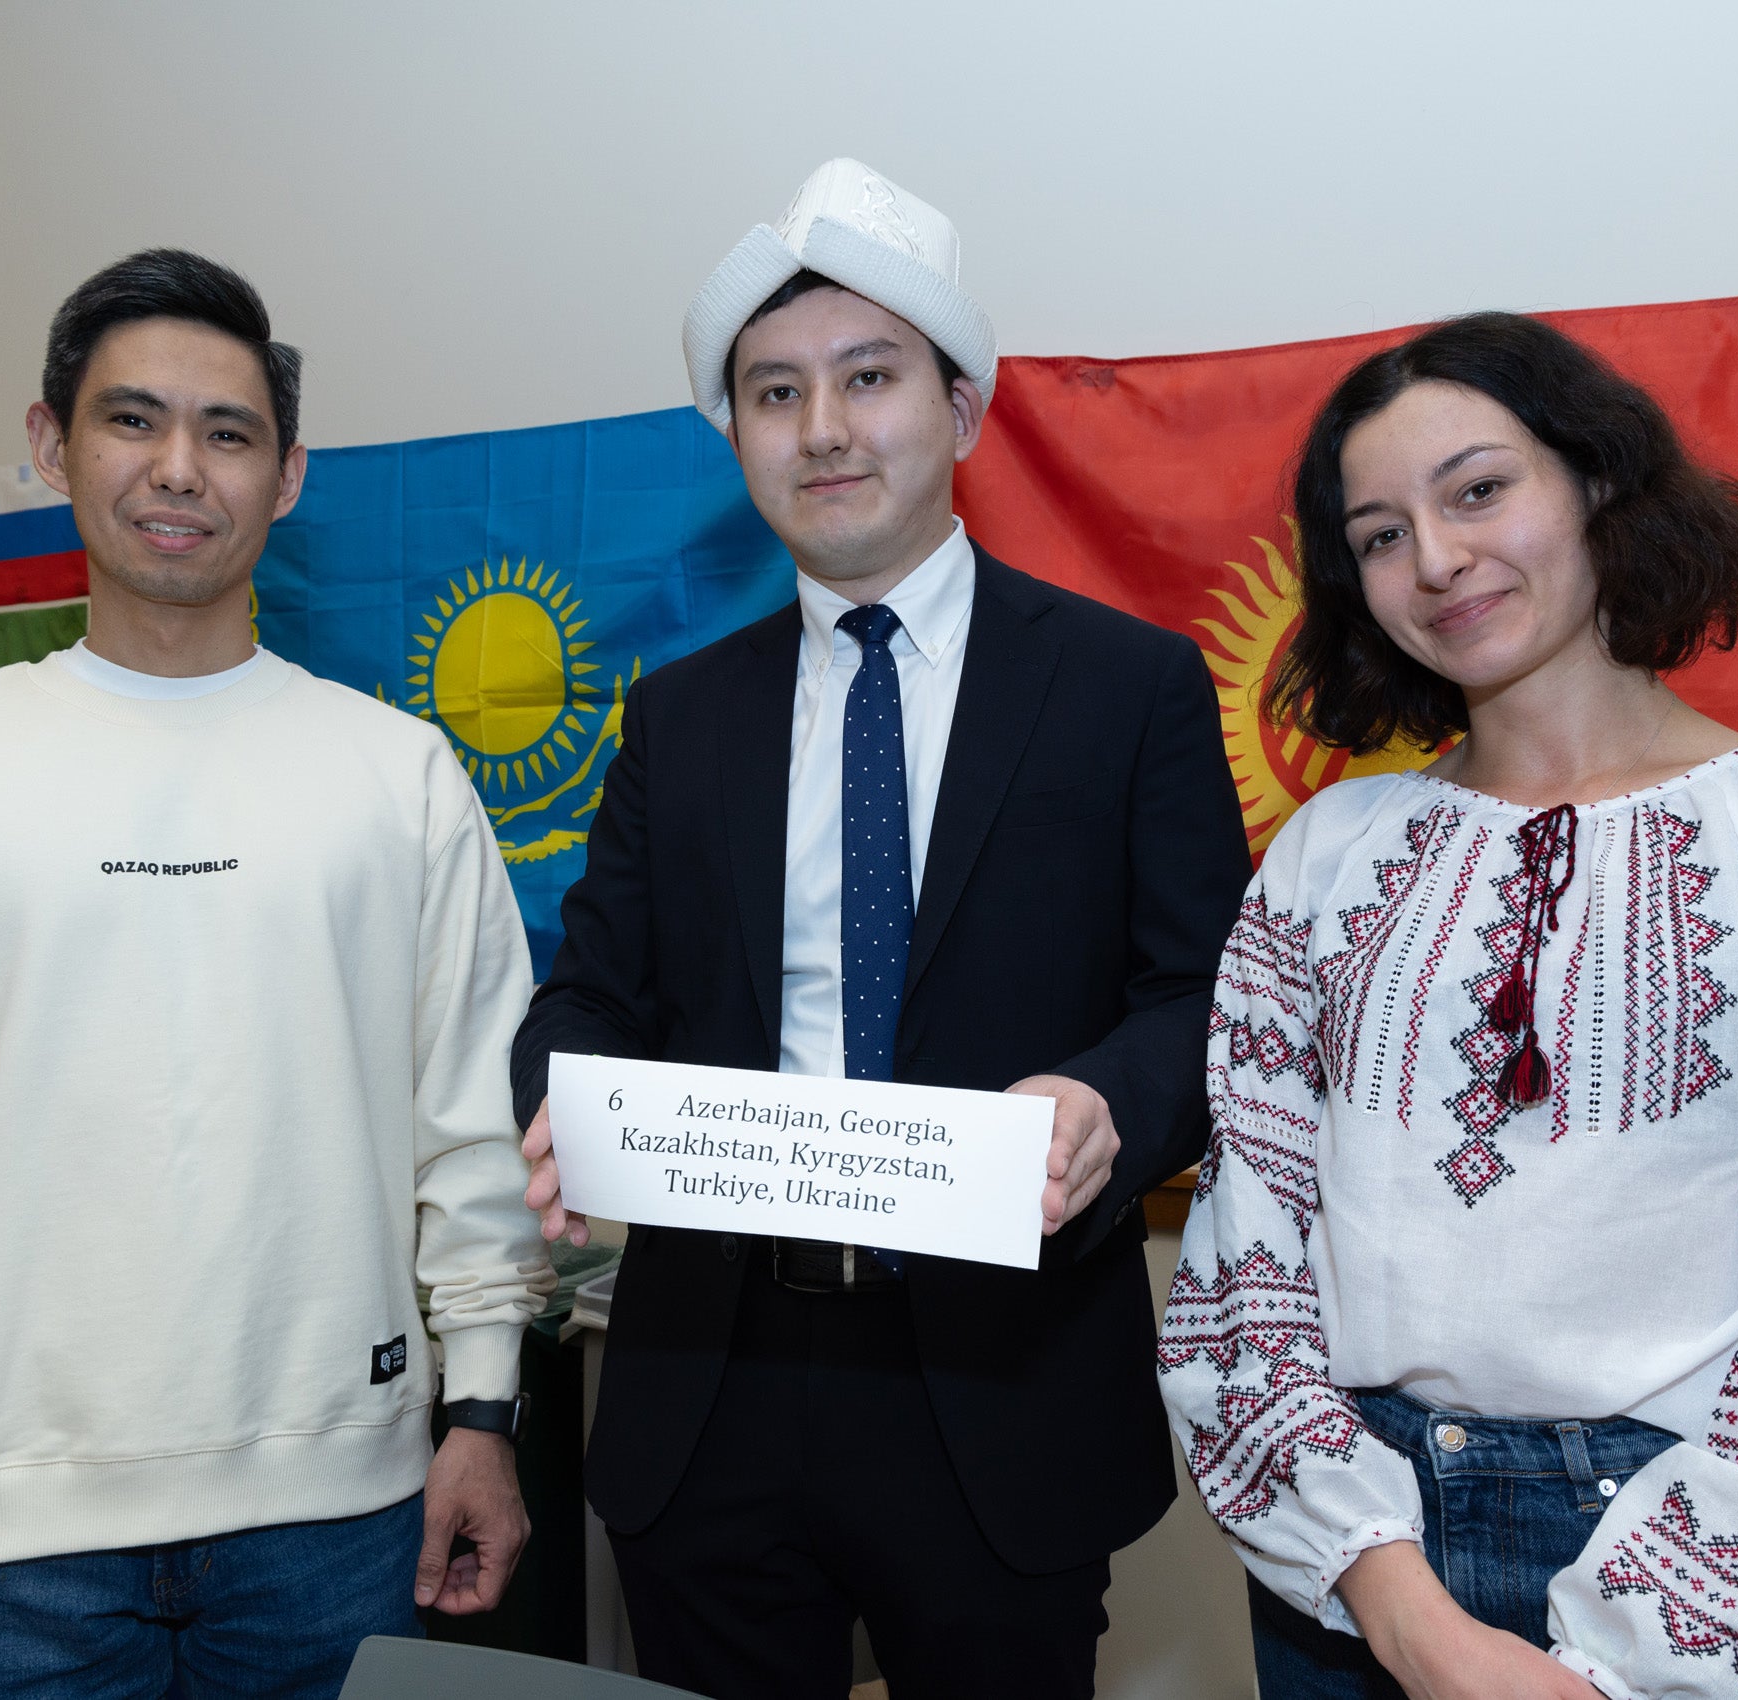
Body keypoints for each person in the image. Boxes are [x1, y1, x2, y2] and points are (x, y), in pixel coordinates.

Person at [0, 249, 552, 1700]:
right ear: (50, 443)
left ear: (285, 478)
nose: (179, 469)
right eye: (130, 420)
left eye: (227, 433)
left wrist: (480, 1410)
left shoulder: (395, 777)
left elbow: (473, 1129)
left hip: (339, 1524)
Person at [508, 159, 1249, 1698]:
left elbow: (1202, 997)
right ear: (740, 439)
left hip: (999, 1383)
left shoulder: (1126, 688)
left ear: (963, 408)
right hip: (709, 1379)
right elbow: (589, 990)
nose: (824, 428)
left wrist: (1111, 1098)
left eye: (867, 378)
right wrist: (559, 1097)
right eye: (774, 393)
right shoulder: (677, 714)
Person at [1159, 312, 1738, 1700]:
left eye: (1476, 490)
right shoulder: (1324, 852)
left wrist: (1625, 1666)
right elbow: (1246, 1265)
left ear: (1596, 483)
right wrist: (1397, 1609)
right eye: (1378, 534)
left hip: (1702, 1565)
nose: (1436, 558)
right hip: (1352, 1552)